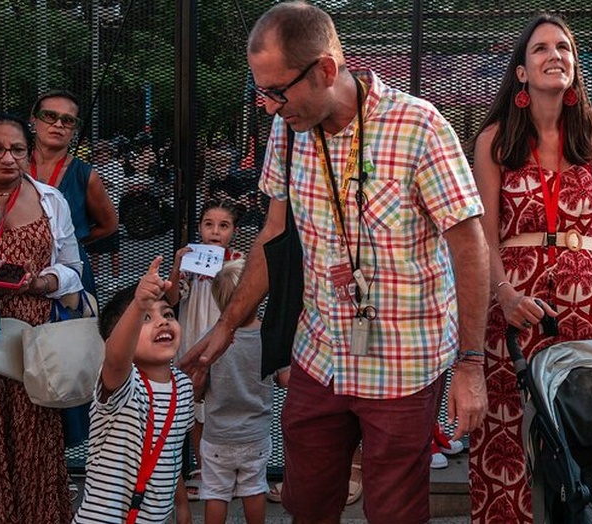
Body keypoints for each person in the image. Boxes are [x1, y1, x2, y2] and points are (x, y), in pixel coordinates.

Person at [181, 2, 490, 523]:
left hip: (404, 365)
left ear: (326, 69)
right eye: (261, 91)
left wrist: (471, 365)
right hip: (319, 356)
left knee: (395, 511)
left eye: (277, 90)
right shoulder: (288, 132)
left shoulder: (420, 128)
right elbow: (274, 234)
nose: (268, 106)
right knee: (307, 504)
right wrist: (226, 326)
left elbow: (470, 247)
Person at [468, 13, 592, 522]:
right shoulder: (494, 138)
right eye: (540, 49)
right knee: (500, 422)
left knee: (591, 415)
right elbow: (482, 233)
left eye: (563, 47)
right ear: (521, 71)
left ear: (574, 64)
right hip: (511, 291)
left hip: (586, 289)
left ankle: (591, 513)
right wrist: (505, 294)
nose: (554, 55)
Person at [0, 111, 84, 522]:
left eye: (17, 149)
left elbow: (73, 268)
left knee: (33, 434)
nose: (7, 158)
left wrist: (44, 283)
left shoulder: (51, 200)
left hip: (33, 341)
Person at [73, 257, 194, 524]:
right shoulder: (124, 384)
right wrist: (138, 304)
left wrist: (182, 507)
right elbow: (116, 358)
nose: (163, 322)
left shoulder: (182, 387)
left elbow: (169, 452)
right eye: (146, 319)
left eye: (168, 314)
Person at [164, 197, 243, 498]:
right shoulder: (190, 260)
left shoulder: (238, 260)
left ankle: (231, 470)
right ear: (199, 228)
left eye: (223, 226)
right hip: (194, 336)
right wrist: (176, 265)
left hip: (225, 339)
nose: (215, 231)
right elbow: (171, 300)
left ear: (233, 230)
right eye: (209, 224)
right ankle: (204, 468)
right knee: (195, 405)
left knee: (223, 402)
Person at [199, 259, 273, 524]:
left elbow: (198, 380)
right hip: (255, 433)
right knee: (254, 488)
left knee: (215, 492)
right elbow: (286, 378)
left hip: (218, 433)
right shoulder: (268, 336)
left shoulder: (212, 337)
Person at [29, 90, 119, 297]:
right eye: (50, 116)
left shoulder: (85, 175)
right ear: (33, 120)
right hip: (20, 268)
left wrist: (73, 240)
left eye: (68, 120)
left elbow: (110, 225)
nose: (58, 125)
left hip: (68, 275)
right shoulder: (14, 166)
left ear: (75, 128)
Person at [88, 139, 125, 278]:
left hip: (110, 212)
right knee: (94, 247)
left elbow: (110, 184)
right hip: (93, 210)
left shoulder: (116, 167)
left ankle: (115, 278)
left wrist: (95, 181)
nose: (98, 156)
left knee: (113, 248)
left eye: (101, 152)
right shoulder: (93, 167)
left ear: (109, 153)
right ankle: (95, 276)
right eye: (96, 153)